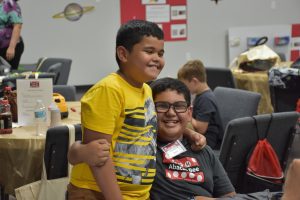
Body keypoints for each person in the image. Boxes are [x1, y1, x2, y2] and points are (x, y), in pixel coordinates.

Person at [67, 19, 206, 200]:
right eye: (149, 51)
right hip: (97, 192)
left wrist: (189, 133)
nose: (157, 58)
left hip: (137, 195)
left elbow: (149, 129)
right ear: (123, 54)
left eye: (160, 53)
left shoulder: (147, 90)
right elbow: (99, 157)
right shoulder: (109, 90)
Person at [149, 77, 235, 199]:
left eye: (179, 106)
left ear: (189, 113)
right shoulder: (145, 149)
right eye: (162, 106)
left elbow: (230, 196)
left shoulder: (203, 150)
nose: (171, 113)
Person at [177, 59, 223, 150]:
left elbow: (201, 129)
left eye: (184, 84)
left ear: (194, 81)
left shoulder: (206, 99)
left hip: (209, 143)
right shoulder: (200, 95)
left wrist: (187, 113)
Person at [0, 0, 24, 71]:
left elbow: (17, 25)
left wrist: (11, 48)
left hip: (8, 48)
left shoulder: (10, 4)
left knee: (8, 75)